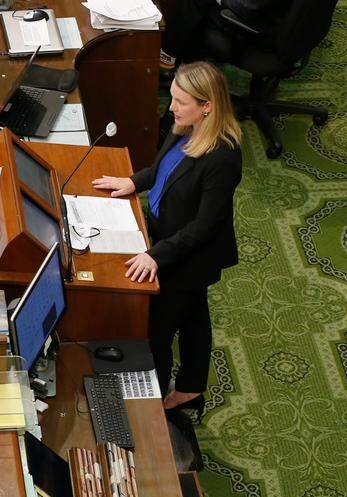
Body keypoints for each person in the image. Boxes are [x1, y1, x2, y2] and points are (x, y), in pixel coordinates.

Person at [91, 61, 242, 412]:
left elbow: (204, 225)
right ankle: (191, 387)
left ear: (207, 106)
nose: (171, 107)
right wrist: (134, 181)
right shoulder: (182, 125)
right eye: (172, 97)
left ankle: (154, 404)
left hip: (189, 255)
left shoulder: (223, 157)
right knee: (194, 314)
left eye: (181, 101)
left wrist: (156, 255)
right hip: (164, 235)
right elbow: (163, 169)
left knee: (158, 330)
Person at [158, 0, 280, 72]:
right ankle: (180, 63)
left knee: (195, 5)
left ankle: (169, 55)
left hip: (256, 32)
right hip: (262, 18)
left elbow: (249, 7)